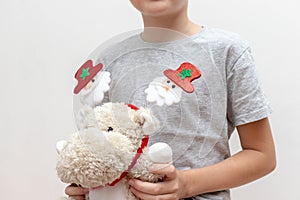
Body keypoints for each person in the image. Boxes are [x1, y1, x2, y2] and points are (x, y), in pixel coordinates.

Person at [64, 0, 276, 199]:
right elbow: (105, 146)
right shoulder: (108, 60)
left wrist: (186, 184)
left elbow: (262, 155)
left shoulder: (227, 51)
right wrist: (89, 184)